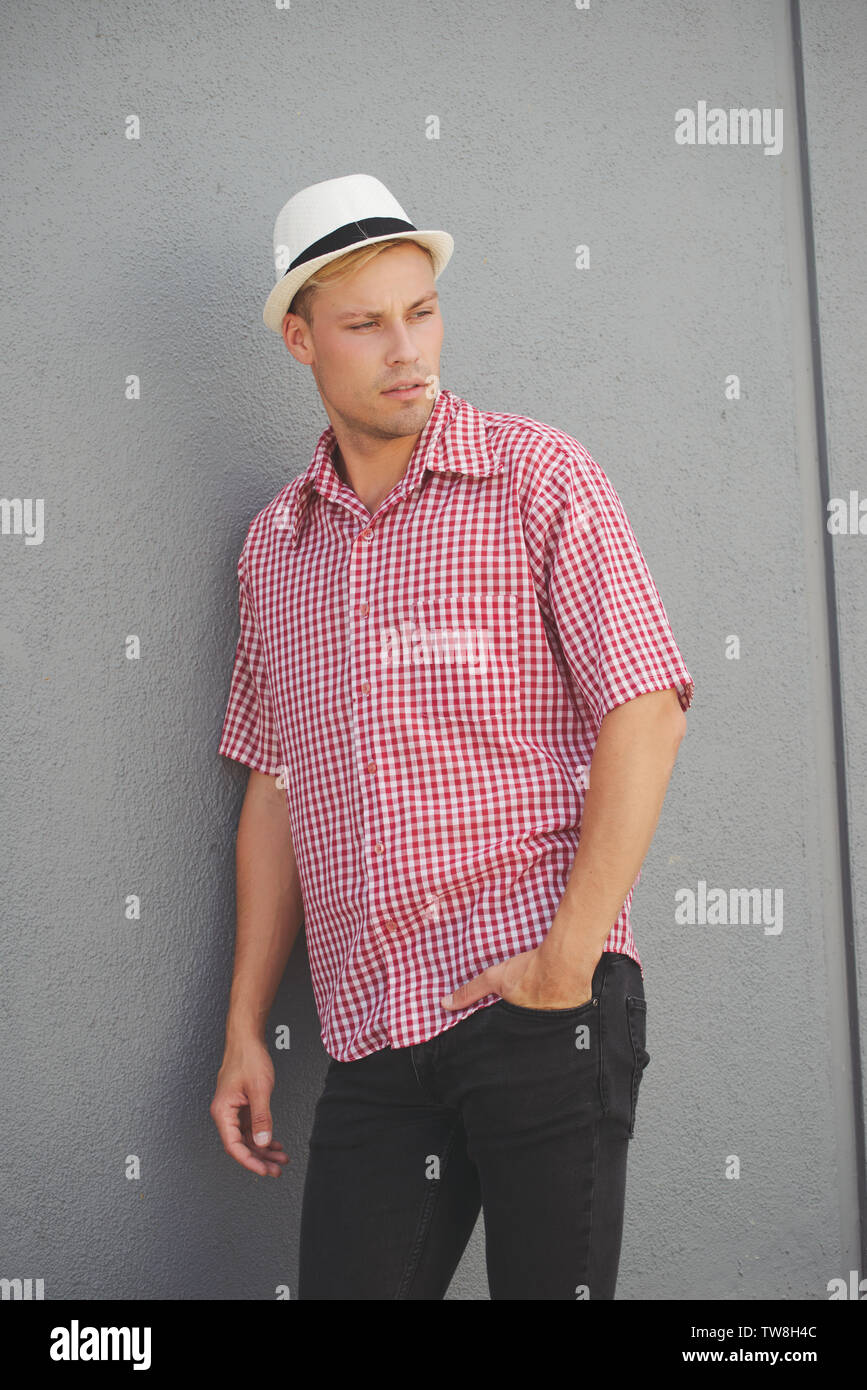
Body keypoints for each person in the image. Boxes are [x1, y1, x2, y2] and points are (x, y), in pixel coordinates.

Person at [210, 174, 695, 1300]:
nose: (405, 348)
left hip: (538, 997)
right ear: (301, 340)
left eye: (421, 312)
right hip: (374, 1036)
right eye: (366, 323)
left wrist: (570, 961)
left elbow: (647, 705)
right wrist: (244, 1028)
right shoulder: (274, 548)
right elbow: (276, 790)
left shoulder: (537, 476)